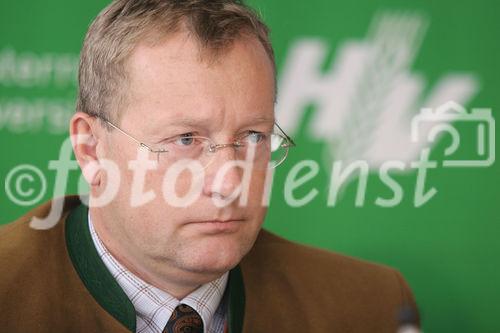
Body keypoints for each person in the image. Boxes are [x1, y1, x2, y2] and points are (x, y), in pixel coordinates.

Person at [0, 0, 420, 332]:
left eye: (253, 137)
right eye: (186, 140)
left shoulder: (373, 309)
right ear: (91, 149)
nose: (230, 181)